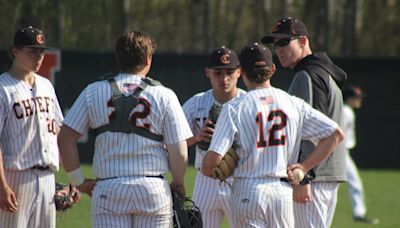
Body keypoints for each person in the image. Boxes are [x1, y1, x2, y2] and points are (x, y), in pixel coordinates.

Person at [57, 31, 193, 228]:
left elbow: (65, 138)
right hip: (152, 189)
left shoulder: (93, 91)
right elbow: (179, 150)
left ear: (118, 58)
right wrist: (178, 182)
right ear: (148, 59)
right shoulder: (165, 95)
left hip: (109, 189)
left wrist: (78, 182)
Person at [202, 43, 344, 228]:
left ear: (242, 71)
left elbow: (210, 164)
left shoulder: (234, 108)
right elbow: (336, 134)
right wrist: (303, 166)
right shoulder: (293, 103)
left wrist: (214, 166)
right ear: (272, 69)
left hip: (248, 189)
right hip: (282, 193)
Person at [261, 17, 348, 228]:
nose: (278, 49)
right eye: (275, 44)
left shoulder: (307, 75)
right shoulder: (322, 72)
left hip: (313, 176)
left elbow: (315, 132)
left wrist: (304, 176)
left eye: (284, 42)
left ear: (303, 41)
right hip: (324, 174)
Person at [0, 26, 65, 227]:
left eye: (41, 51)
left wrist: (69, 180)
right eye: (32, 51)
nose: (38, 57)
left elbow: (58, 132)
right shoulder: (3, 88)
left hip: (47, 177)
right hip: (15, 178)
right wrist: (1, 185)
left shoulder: (46, 86)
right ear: (14, 51)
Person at [182, 46, 245, 227]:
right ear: (207, 72)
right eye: (218, 73)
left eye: (229, 72)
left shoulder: (248, 102)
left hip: (238, 179)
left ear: (239, 72)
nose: (224, 78)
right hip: (205, 180)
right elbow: (173, 141)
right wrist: (196, 137)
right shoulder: (196, 103)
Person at [343, 85, 379, 224]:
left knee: (351, 183)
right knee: (354, 182)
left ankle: (358, 213)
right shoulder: (345, 111)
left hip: (342, 152)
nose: (359, 100)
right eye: (357, 98)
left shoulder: (347, 110)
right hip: (340, 153)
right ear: (349, 98)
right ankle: (358, 213)